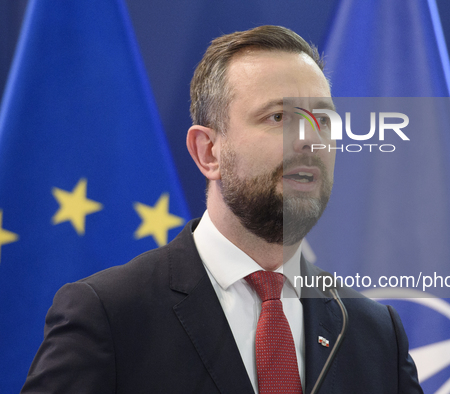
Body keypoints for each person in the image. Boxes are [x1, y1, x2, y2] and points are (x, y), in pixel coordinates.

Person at [21, 25, 423, 393]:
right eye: (279, 117)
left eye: (322, 120)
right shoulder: (109, 315)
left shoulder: (375, 332)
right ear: (208, 151)